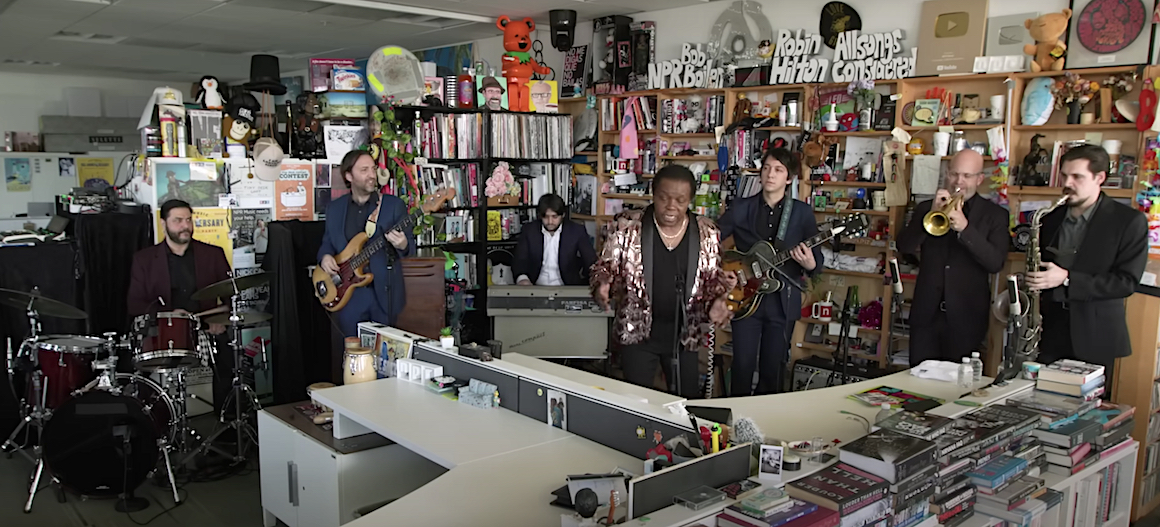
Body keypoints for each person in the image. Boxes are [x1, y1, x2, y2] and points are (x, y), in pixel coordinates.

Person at [591, 165, 734, 398]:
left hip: (685, 336)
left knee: (686, 402)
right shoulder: (627, 226)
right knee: (637, 402)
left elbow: (712, 280)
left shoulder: (707, 232)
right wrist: (603, 285)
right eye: (664, 198)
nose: (671, 206)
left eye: (680, 200)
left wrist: (718, 300)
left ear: (690, 200)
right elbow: (604, 266)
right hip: (637, 334)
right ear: (653, 194)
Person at [1027, 144, 1147, 382]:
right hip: (1051, 330)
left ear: (1099, 178)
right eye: (1064, 176)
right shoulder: (1050, 218)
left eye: (1077, 177)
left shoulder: (1128, 221)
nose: (1067, 183)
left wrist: (1068, 278)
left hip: (1096, 336)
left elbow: (1126, 283)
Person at [717, 148, 824, 396]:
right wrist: (722, 271)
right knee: (742, 364)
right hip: (744, 296)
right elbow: (712, 240)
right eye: (766, 168)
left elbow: (817, 260)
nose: (770, 175)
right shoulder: (741, 207)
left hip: (782, 301)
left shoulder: (801, 213)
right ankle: (736, 417)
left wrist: (809, 264)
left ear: (789, 178)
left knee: (773, 367)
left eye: (778, 170)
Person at [897, 149, 1009, 367]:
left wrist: (966, 229)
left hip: (967, 317)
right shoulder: (926, 208)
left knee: (958, 389)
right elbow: (905, 246)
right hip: (926, 315)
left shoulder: (995, 215)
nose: (959, 181)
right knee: (918, 383)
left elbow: (995, 263)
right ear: (946, 174)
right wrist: (928, 214)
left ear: (979, 179)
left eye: (967, 176)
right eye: (954, 174)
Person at [127, 199, 231, 416]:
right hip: (162, 333)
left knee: (228, 366)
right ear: (163, 223)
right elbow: (134, 304)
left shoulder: (213, 254)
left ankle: (223, 423)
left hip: (204, 330)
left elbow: (231, 298)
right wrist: (166, 315)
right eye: (178, 221)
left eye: (188, 220)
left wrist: (218, 321)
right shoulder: (144, 259)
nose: (185, 226)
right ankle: (158, 424)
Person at [318, 150, 415, 337]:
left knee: (385, 354)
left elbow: (409, 246)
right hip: (349, 295)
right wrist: (325, 257)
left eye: (373, 168)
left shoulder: (392, 206)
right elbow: (327, 243)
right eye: (364, 170)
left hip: (384, 293)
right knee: (354, 353)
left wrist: (402, 243)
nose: (372, 175)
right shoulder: (335, 209)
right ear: (349, 176)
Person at [513, 194, 596, 286]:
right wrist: (522, 279)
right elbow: (519, 260)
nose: (550, 221)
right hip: (535, 287)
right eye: (545, 217)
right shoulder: (529, 230)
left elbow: (590, 260)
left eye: (554, 217)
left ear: (563, 215)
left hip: (567, 288)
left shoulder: (576, 231)